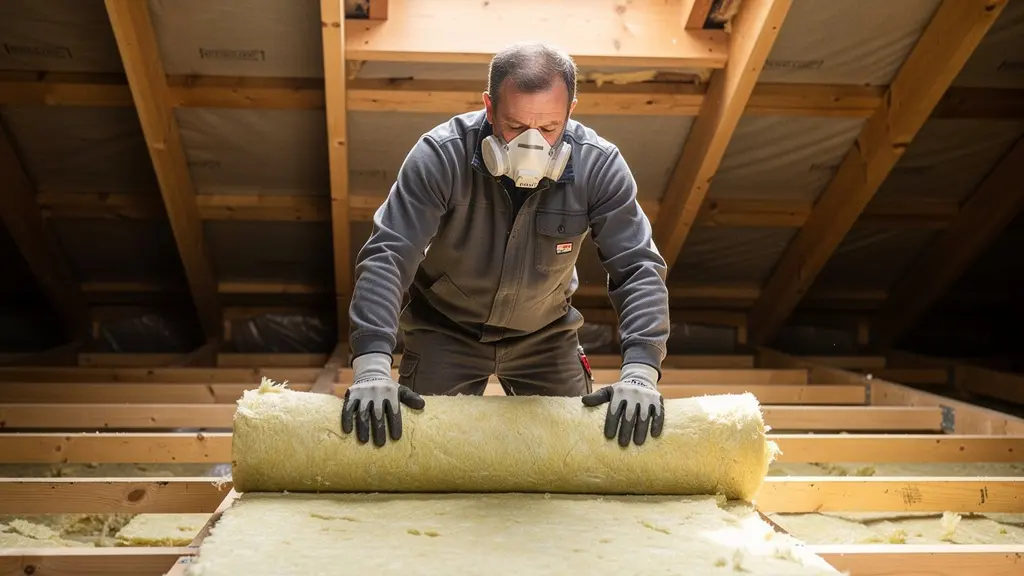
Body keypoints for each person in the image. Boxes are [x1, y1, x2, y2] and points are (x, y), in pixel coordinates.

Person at [340, 41, 671, 449]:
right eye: (515, 126)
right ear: (490, 107)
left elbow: (637, 267)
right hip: (446, 328)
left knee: (582, 450)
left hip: (546, 335)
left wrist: (641, 370)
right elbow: (388, 256)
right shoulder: (440, 157)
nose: (532, 145)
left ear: (571, 112)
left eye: (550, 129)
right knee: (413, 448)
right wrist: (371, 365)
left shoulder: (598, 166)